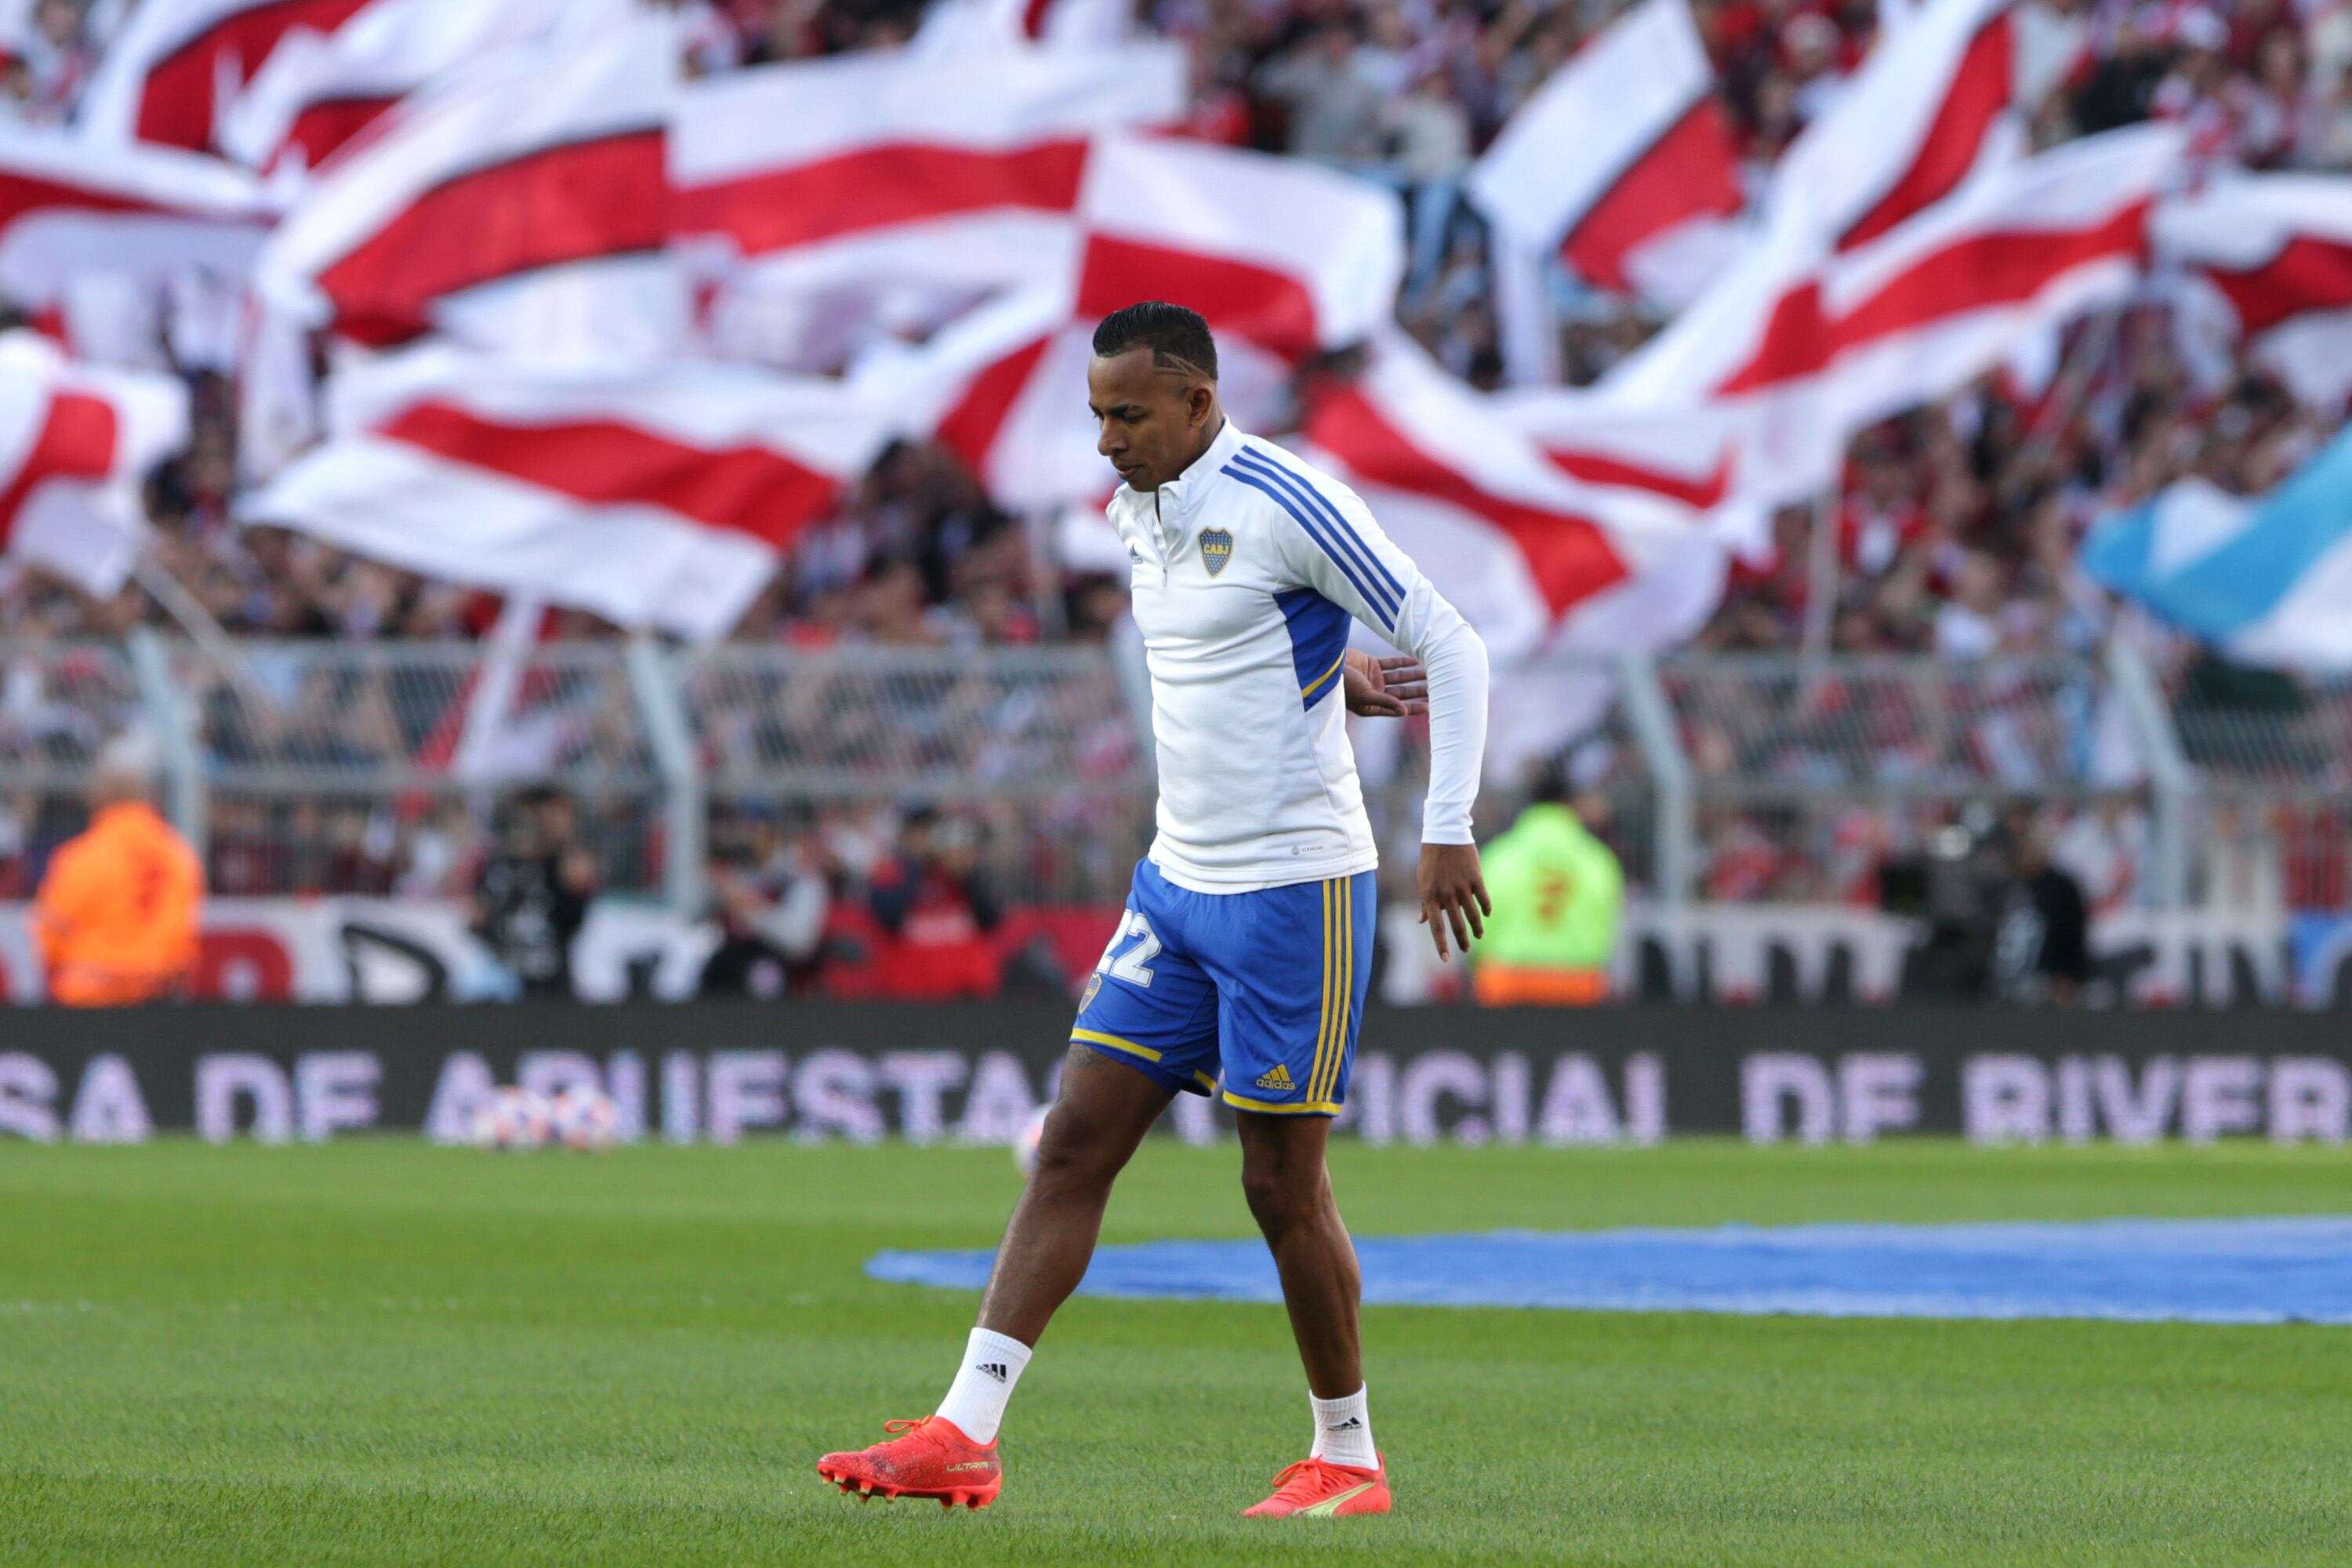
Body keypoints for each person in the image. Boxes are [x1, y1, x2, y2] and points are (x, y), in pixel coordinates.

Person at [818, 302, 1491, 1519]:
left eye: (1127, 414)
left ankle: (1348, 1456)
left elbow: (1454, 644)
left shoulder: (1288, 496)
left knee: (1281, 1185)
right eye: (1095, 416)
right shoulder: (1142, 505)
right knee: (1076, 1138)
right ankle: (965, 1432)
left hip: (1294, 890)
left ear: (1196, 400)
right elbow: (1228, 644)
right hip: (1176, 884)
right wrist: (1327, 673)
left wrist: (1447, 830)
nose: (1106, 441)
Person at [33, 735, 204, 1007]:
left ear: (98, 796)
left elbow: (51, 933)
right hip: (159, 995)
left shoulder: (83, 856)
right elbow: (185, 928)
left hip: (91, 1000)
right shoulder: (178, 854)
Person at [1471, 773, 1624, 1005]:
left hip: (1507, 979)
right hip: (1578, 982)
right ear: (1572, 804)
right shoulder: (1597, 858)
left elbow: (1478, 922)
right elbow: (1607, 920)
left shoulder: (1500, 855)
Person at [471, 786, 595, 999]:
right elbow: (479, 921)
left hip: (549, 980)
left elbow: (572, 920)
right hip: (505, 977)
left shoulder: (559, 867)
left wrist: (577, 891)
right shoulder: (497, 869)